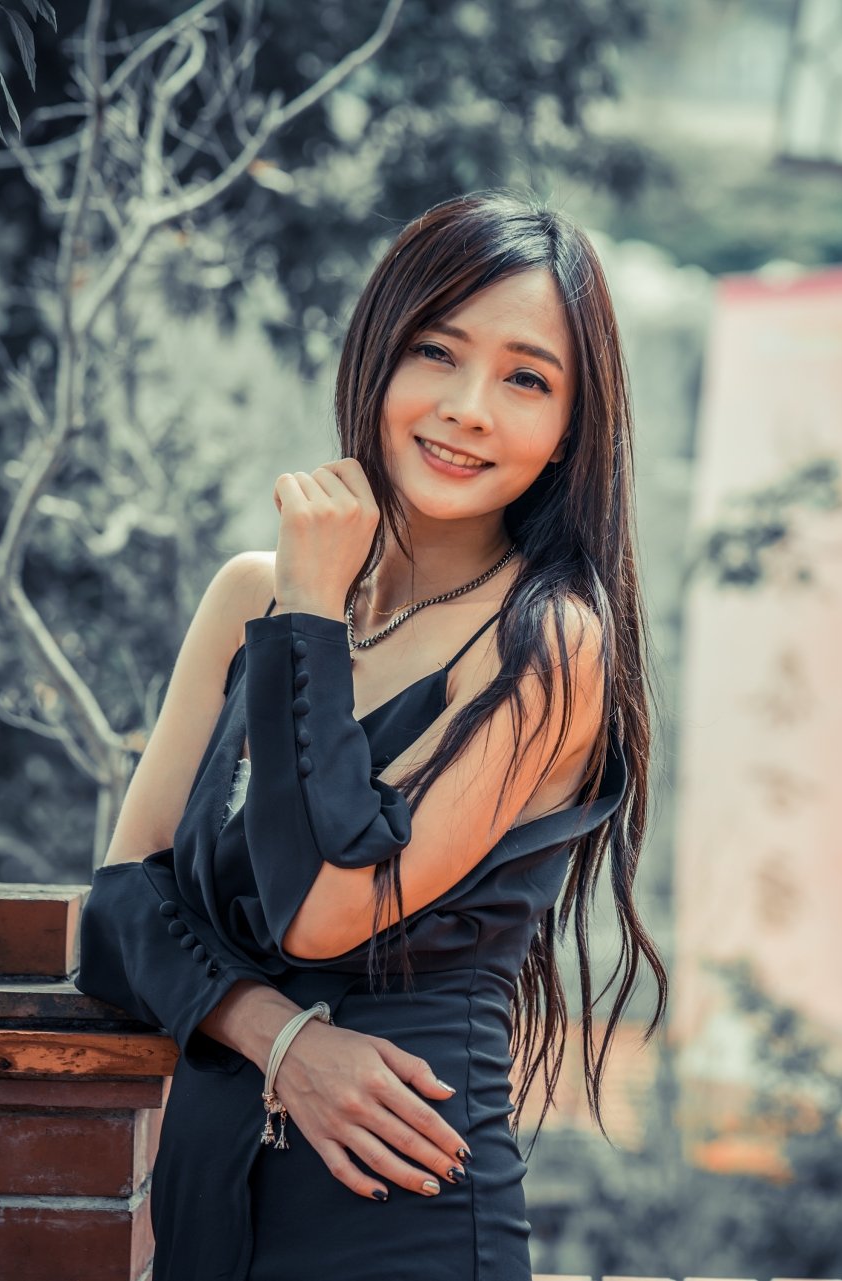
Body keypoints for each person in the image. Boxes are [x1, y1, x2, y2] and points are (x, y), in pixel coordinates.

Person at [72, 189, 668, 1281]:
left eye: (526, 379)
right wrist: (277, 1038)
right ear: (377, 355)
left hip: (400, 1210)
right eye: (437, 352)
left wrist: (309, 612)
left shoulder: (546, 642)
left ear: (568, 433)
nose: (469, 408)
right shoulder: (247, 595)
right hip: (209, 1203)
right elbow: (116, 909)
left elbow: (325, 912)